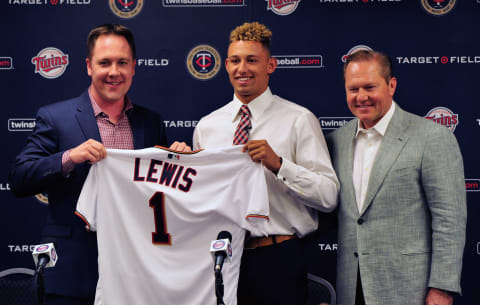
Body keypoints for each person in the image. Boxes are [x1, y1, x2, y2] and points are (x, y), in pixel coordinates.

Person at [9, 24, 188, 305]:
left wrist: (179, 160)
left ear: (133, 67)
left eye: (122, 63)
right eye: (105, 63)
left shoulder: (151, 122)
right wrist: (70, 157)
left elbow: (162, 191)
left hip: (136, 272)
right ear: (89, 66)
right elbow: (20, 178)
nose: (114, 72)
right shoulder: (55, 117)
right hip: (72, 273)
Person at [193, 21, 339, 305]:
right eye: (235, 60)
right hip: (223, 256)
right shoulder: (207, 127)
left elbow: (328, 196)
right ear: (226, 65)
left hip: (278, 258)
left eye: (252, 60)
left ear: (270, 65)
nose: (242, 68)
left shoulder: (298, 120)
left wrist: (280, 164)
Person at [326, 50, 467, 305]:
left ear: (391, 85)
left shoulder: (432, 137)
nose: (361, 97)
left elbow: (450, 219)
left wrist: (442, 288)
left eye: (370, 87)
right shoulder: (336, 141)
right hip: (351, 289)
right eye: (353, 89)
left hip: (411, 289)